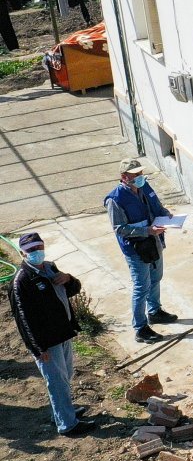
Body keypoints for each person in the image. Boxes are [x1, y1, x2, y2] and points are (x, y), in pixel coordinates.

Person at [9, 233, 95, 437]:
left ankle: (61, 413)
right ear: (22, 253)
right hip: (47, 342)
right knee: (57, 382)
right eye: (31, 250)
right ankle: (67, 424)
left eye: (38, 248)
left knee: (65, 376)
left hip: (63, 333)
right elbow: (23, 320)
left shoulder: (50, 268)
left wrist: (69, 279)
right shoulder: (21, 281)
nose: (36, 252)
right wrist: (37, 349)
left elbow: (72, 290)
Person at [104, 157, 177, 344]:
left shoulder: (144, 187)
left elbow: (156, 206)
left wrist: (166, 214)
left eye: (140, 173)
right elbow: (120, 229)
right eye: (135, 174)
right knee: (141, 287)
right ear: (124, 176)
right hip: (137, 249)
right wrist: (147, 231)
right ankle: (140, 328)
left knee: (156, 278)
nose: (139, 177)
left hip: (153, 242)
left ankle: (155, 311)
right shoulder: (115, 199)